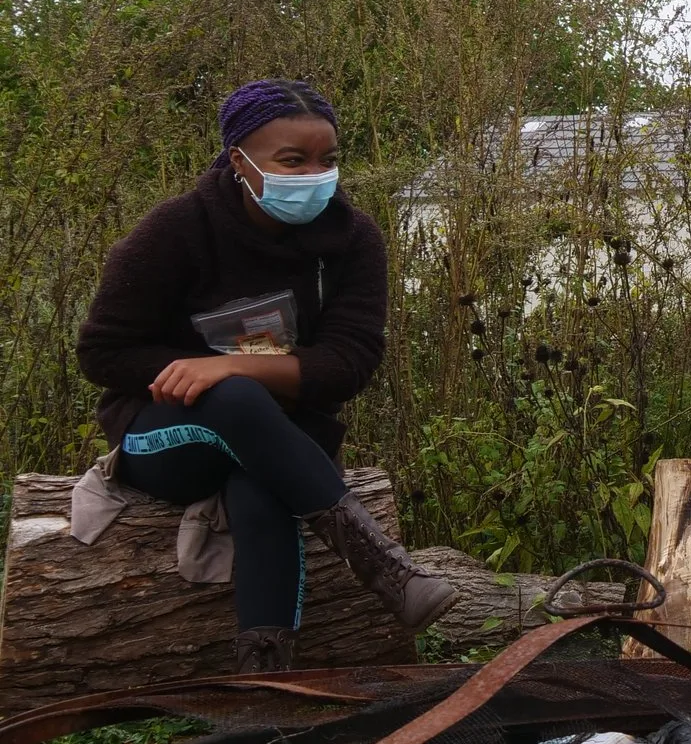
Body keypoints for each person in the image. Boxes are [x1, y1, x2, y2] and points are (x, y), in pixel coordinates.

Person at [75, 80, 455, 671]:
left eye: (327, 160)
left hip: (286, 441)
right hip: (167, 439)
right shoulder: (175, 230)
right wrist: (203, 376)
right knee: (235, 398)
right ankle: (382, 565)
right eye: (293, 160)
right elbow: (102, 352)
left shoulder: (353, 241)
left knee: (260, 486)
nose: (315, 175)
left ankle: (265, 676)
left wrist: (231, 362)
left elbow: (349, 364)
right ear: (239, 161)